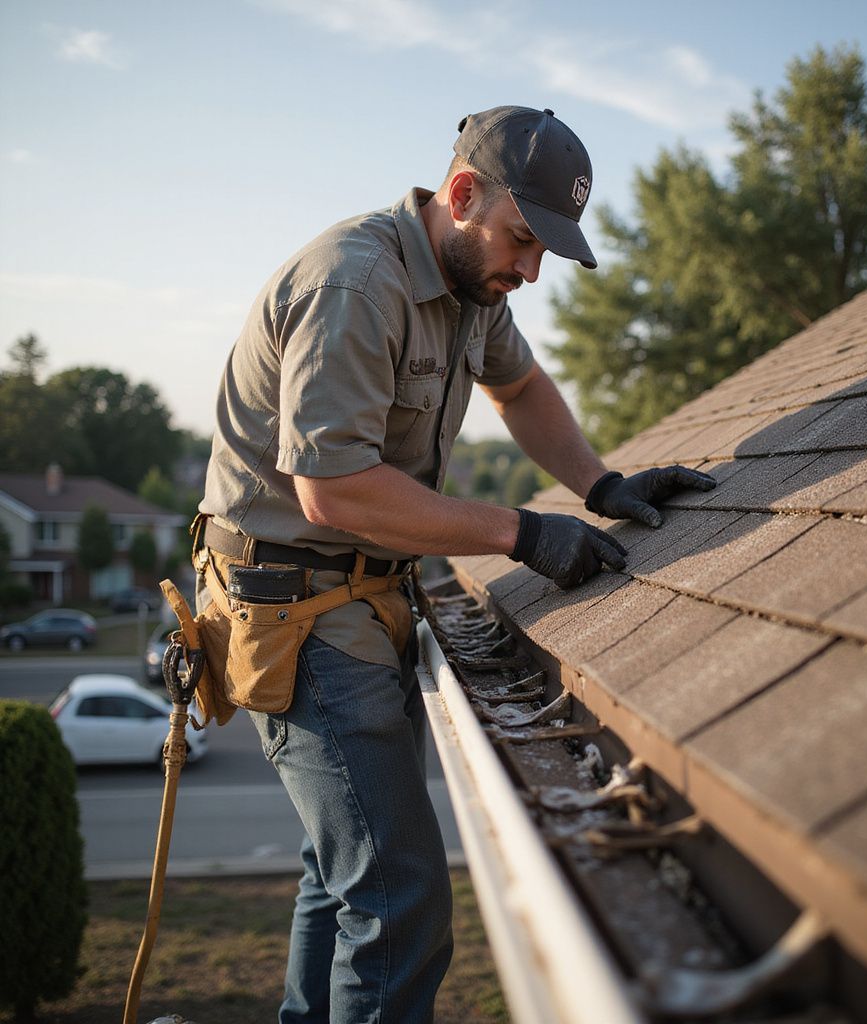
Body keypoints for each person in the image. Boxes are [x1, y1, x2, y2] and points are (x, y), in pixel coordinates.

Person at [196, 105, 715, 1024]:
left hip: (360, 594)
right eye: (523, 240)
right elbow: (334, 490)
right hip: (292, 609)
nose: (530, 270)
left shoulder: (473, 288)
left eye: (547, 250)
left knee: (340, 872)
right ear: (463, 194)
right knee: (399, 900)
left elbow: (519, 387)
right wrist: (522, 532)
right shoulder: (357, 285)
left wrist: (601, 484)